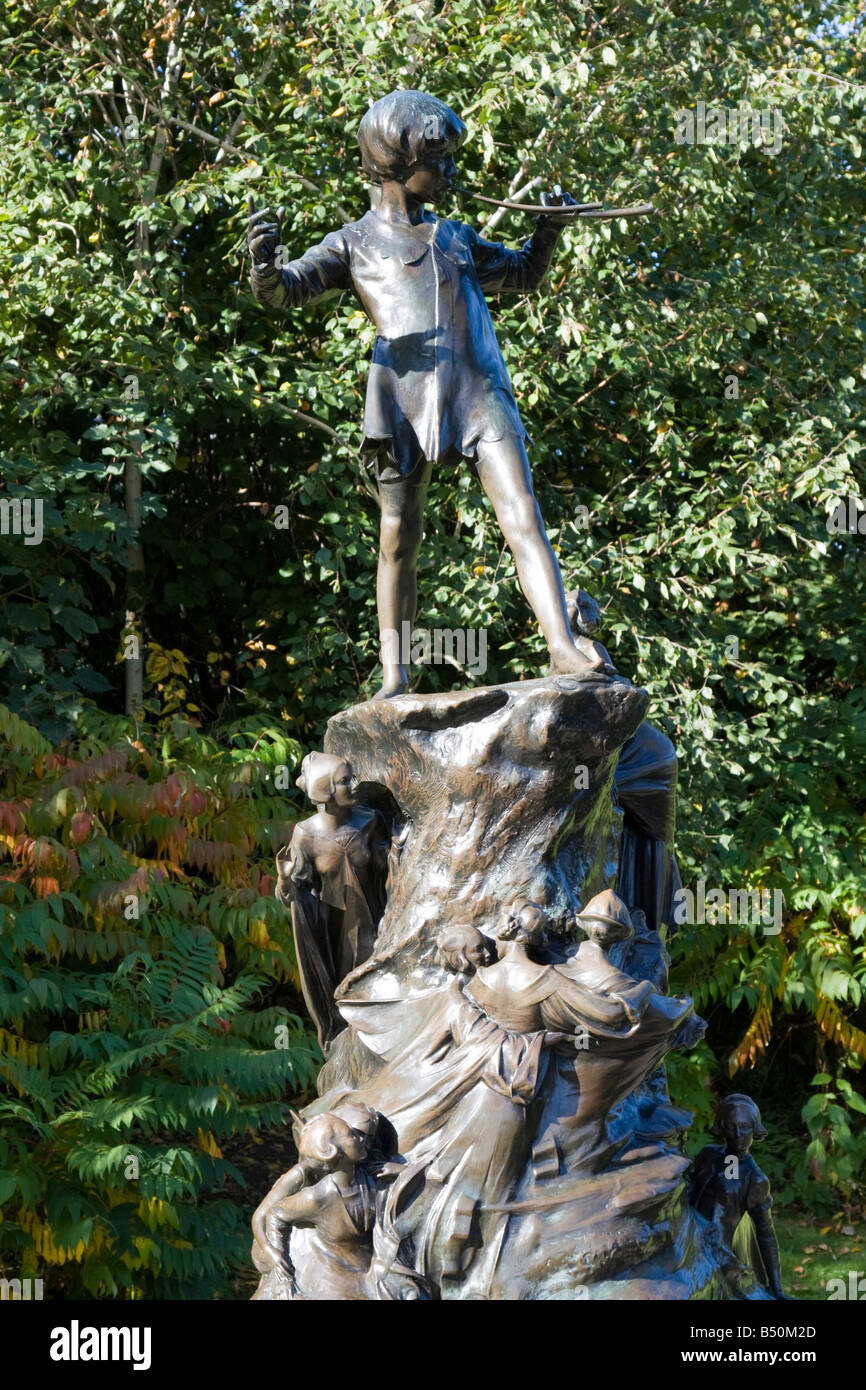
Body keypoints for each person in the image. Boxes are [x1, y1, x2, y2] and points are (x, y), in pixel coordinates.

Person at [248, 89, 611, 697]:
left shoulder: (456, 237)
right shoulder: (353, 244)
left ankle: (562, 647)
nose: (450, 171)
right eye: (439, 159)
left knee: (522, 513)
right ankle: (395, 678)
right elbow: (287, 291)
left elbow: (522, 275)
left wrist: (547, 230)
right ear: (395, 160)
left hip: (478, 389)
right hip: (401, 397)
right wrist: (264, 268)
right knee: (398, 536)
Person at [275, 752, 390, 1050]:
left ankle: (378, 1038)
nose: (354, 785)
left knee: (372, 978)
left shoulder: (370, 820)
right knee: (342, 985)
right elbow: (293, 889)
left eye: (351, 777)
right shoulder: (306, 834)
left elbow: (388, 860)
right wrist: (285, 880)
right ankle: (347, 1042)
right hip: (332, 927)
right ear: (324, 790)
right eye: (344, 781)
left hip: (374, 918)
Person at [688, 1093, 787, 1299]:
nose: (739, 1134)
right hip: (683, 1236)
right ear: (722, 1128)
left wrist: (776, 1289)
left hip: (713, 1257)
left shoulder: (755, 1179)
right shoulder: (708, 1155)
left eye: (745, 1127)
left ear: (755, 1129)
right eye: (732, 1126)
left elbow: (765, 1234)